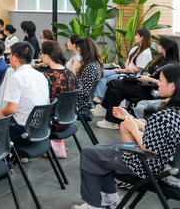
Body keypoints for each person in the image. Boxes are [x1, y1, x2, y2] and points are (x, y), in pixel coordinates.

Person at [73, 63, 180, 209]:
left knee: (89, 154)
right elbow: (158, 133)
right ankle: (111, 199)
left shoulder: (165, 115)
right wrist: (129, 118)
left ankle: (94, 205)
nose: (158, 84)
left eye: (161, 80)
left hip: (147, 165)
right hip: (167, 165)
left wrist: (134, 130)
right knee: (100, 151)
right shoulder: (174, 113)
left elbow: (150, 152)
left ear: (172, 86)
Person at [97, 36, 179, 129]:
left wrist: (150, 79)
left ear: (165, 47)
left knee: (114, 83)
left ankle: (105, 110)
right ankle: (112, 120)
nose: (157, 46)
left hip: (152, 90)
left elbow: (167, 83)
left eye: (159, 44)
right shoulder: (161, 60)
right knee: (114, 91)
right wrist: (145, 77)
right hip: (145, 84)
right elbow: (150, 72)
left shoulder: (172, 66)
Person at [0, 42, 49, 142]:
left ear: (14, 57)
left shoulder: (16, 77)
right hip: (41, 129)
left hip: (23, 131)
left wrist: (1, 112)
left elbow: (12, 109)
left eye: (10, 55)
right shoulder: (41, 76)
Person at [93, 29, 152, 112]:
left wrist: (121, 70)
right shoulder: (135, 49)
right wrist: (125, 69)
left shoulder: (145, 53)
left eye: (136, 35)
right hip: (124, 71)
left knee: (106, 77)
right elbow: (127, 63)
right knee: (101, 73)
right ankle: (98, 99)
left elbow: (135, 71)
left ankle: (100, 101)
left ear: (142, 37)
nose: (134, 37)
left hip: (130, 76)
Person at [41, 40, 77, 131]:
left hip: (51, 122)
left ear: (46, 56)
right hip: (67, 119)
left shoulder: (47, 76)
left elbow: (45, 104)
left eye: (41, 53)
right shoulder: (70, 73)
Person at [75, 37, 104, 115]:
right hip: (83, 102)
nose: (79, 53)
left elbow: (84, 92)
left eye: (80, 51)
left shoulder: (90, 67)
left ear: (85, 51)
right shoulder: (95, 64)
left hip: (79, 103)